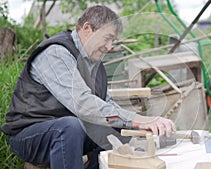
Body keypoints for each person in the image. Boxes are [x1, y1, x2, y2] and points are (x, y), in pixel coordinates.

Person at [0, 5, 176, 169]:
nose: (110, 47)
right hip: (30, 133)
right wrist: (137, 119)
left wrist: (138, 124)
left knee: (119, 129)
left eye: (113, 41)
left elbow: (109, 107)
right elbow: (83, 104)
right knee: (70, 127)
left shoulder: (96, 65)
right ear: (87, 29)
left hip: (71, 130)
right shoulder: (56, 53)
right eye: (107, 39)